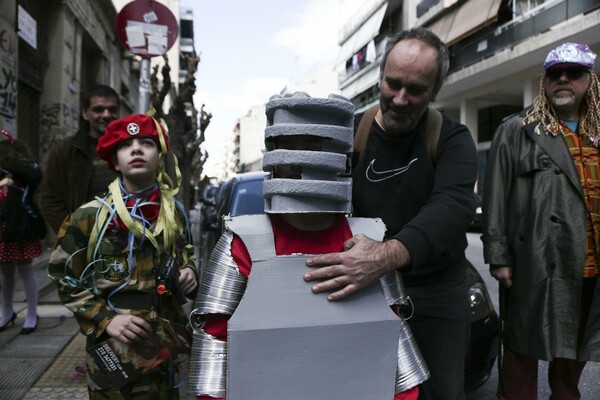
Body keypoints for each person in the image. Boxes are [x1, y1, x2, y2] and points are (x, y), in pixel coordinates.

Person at [187, 92, 429, 400]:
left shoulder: (369, 247)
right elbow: (213, 344)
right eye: (293, 150)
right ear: (277, 157)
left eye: (314, 148)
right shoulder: (241, 245)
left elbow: (394, 340)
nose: (303, 163)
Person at [303, 27, 479, 400]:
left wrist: (386, 256)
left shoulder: (452, 138)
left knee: (442, 391)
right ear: (379, 78)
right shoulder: (348, 134)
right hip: (363, 283)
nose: (399, 99)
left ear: (435, 91)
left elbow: (452, 206)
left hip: (435, 289)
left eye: (415, 90)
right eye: (392, 84)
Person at [47, 114, 198, 399]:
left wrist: (189, 270)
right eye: (127, 145)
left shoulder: (174, 213)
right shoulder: (90, 215)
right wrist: (106, 319)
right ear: (115, 162)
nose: (137, 149)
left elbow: (185, 254)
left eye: (147, 143)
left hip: (164, 351)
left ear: (160, 156)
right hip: (114, 355)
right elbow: (64, 277)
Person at [482, 42, 600, 399]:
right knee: (520, 351)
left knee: (571, 356)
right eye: (554, 74)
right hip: (533, 262)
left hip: (589, 267)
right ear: (544, 81)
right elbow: (496, 194)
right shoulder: (518, 128)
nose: (563, 79)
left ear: (589, 80)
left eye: (574, 72)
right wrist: (498, 254)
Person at [39, 84, 120, 233]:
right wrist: (72, 235)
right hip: (84, 241)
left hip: (125, 240)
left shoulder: (127, 148)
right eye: (98, 109)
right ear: (85, 113)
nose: (106, 115)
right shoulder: (65, 150)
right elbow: (49, 200)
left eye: (112, 110)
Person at [0, 130, 44, 334]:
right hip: (3, 226)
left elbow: (35, 175)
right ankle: (6, 312)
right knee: (5, 272)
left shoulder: (25, 172)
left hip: (20, 226)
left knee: (26, 270)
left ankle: (32, 314)